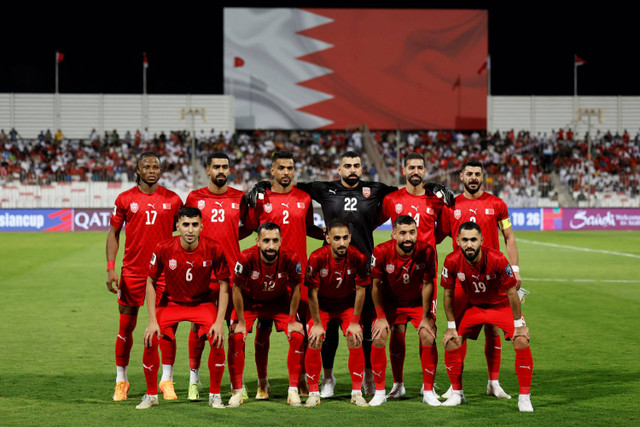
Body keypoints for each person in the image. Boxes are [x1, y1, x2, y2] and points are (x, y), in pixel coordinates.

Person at [440, 159, 522, 399]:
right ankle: (455, 386)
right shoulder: (451, 205)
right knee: (457, 329)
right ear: (461, 177)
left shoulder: (497, 204)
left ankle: (493, 383)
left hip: (492, 276)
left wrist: (514, 268)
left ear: (483, 177)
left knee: (492, 330)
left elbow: (509, 236)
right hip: (461, 277)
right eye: (469, 174)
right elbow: (440, 234)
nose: (473, 177)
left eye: (477, 174)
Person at [106, 152, 183, 401]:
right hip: (133, 273)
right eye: (147, 166)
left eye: (156, 166)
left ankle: (166, 380)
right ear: (138, 170)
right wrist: (110, 267)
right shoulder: (125, 198)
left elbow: (181, 234)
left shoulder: (173, 200)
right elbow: (114, 233)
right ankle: (121, 380)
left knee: (166, 329)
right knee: (126, 328)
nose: (152, 169)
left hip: (164, 275)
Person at [246, 151, 324, 399]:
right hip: (267, 274)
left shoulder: (304, 197)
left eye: (290, 168)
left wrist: (329, 235)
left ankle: (300, 379)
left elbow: (309, 227)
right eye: (281, 168)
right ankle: (262, 381)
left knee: (299, 328)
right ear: (272, 171)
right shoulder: (261, 198)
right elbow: (250, 228)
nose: (286, 172)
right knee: (264, 327)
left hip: (297, 274)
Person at [136, 207, 230, 409]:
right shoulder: (163, 247)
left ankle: (215, 395)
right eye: (185, 225)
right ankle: (151, 394)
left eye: (195, 225)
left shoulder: (214, 248)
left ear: (201, 226)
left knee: (217, 338)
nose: (190, 230)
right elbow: (150, 281)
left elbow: (224, 285)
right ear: (177, 226)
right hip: (172, 303)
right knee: (150, 337)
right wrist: (152, 321)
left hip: (202, 304)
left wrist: (220, 321)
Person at [440, 221, 533, 412]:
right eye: (465, 240)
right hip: (473, 307)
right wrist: (451, 325)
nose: (469, 244)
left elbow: (511, 292)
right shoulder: (451, 260)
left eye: (473, 239)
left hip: (500, 306)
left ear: (481, 240)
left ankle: (524, 397)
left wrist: (518, 323)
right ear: (457, 240)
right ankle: (457, 394)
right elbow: (448, 294)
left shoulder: (497, 259)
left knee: (522, 339)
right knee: (451, 341)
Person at [185, 152, 254, 400]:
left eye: (225, 166)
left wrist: (232, 241)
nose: (221, 170)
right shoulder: (195, 197)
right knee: (199, 328)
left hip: (233, 275)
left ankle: (238, 384)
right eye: (217, 167)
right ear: (208, 170)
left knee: (236, 329)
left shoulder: (239, 197)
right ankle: (194, 380)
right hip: (204, 274)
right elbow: (187, 229)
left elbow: (248, 226)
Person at [379, 152, 445, 398]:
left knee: (428, 328)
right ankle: (398, 384)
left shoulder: (434, 200)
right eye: (411, 167)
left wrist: (425, 248)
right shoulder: (392, 199)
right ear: (404, 170)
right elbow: (374, 221)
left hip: (425, 275)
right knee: (397, 330)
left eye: (420, 167)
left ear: (425, 171)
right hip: (396, 275)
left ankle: (428, 387)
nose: (415, 171)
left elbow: (446, 229)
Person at [226, 222, 305, 407]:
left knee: (297, 336)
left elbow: (296, 287)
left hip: (279, 302)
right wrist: (241, 321)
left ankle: (293, 390)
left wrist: (292, 319)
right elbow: (236, 288)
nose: (271, 245)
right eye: (266, 241)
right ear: (258, 242)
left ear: (280, 242)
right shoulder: (245, 258)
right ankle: (237, 391)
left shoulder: (291, 258)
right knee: (236, 337)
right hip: (250, 302)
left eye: (275, 241)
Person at [369, 215, 439, 407]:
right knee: (379, 336)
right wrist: (381, 317)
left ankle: (428, 390)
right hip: (391, 303)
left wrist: (426, 316)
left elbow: (427, 284)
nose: (408, 238)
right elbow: (375, 286)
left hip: (417, 302)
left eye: (412, 232)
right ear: (393, 234)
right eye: (402, 233)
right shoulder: (381, 251)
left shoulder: (426, 250)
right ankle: (386, 389)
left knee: (428, 335)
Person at [303, 219, 370, 407]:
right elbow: (312, 293)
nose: (341, 243)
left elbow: (362, 290)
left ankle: (356, 392)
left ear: (350, 238)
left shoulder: (359, 257)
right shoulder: (316, 257)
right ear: (327, 238)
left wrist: (355, 321)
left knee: (355, 337)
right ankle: (314, 392)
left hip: (346, 305)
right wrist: (316, 324)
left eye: (345, 238)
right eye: (337, 238)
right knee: (315, 339)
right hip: (322, 306)